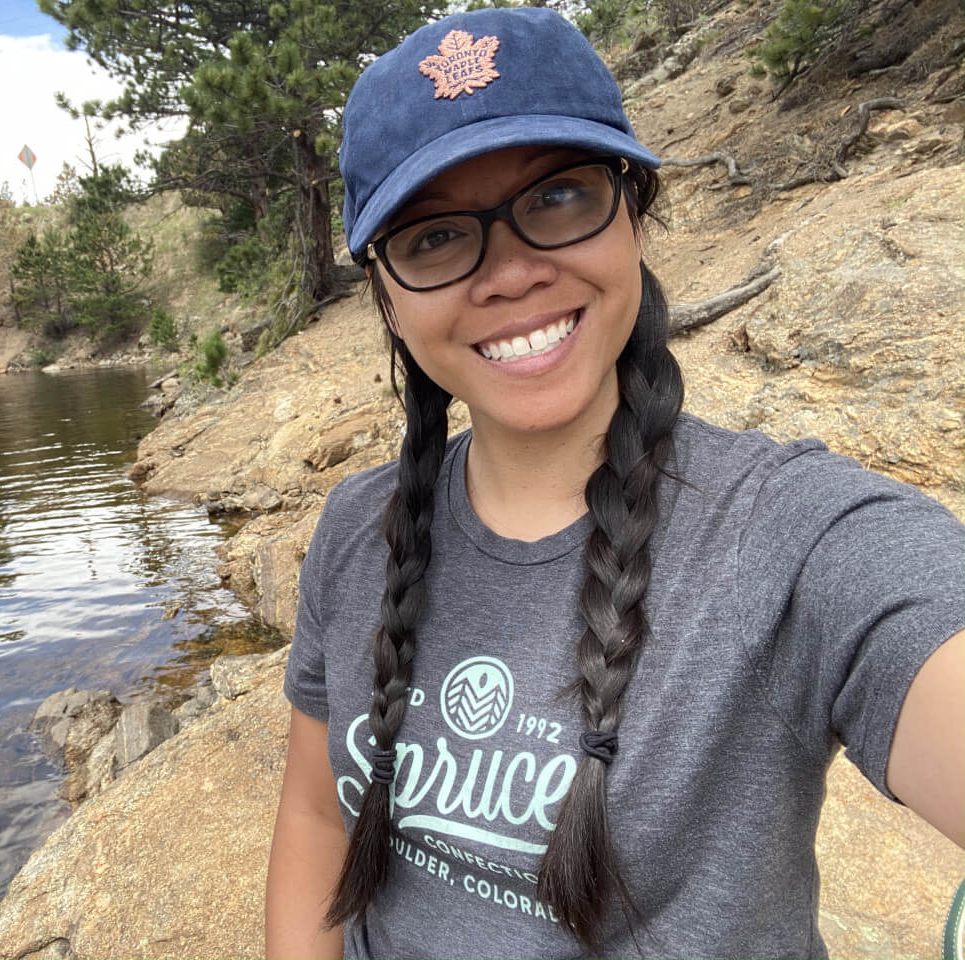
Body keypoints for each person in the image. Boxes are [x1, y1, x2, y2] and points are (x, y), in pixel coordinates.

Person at [264, 6, 964, 959]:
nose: (510, 274)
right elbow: (316, 816)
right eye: (433, 237)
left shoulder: (789, 536)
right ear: (385, 293)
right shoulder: (354, 531)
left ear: (635, 211)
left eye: (557, 198)